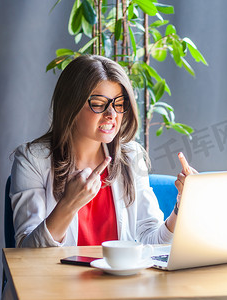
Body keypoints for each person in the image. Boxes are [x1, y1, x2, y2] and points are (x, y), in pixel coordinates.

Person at [10, 55, 197, 248]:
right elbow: (27, 252)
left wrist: (181, 206)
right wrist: (68, 204)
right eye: (99, 104)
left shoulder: (131, 156)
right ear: (70, 107)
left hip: (119, 278)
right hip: (60, 278)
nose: (112, 115)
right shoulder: (32, 159)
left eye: (118, 104)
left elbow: (153, 240)